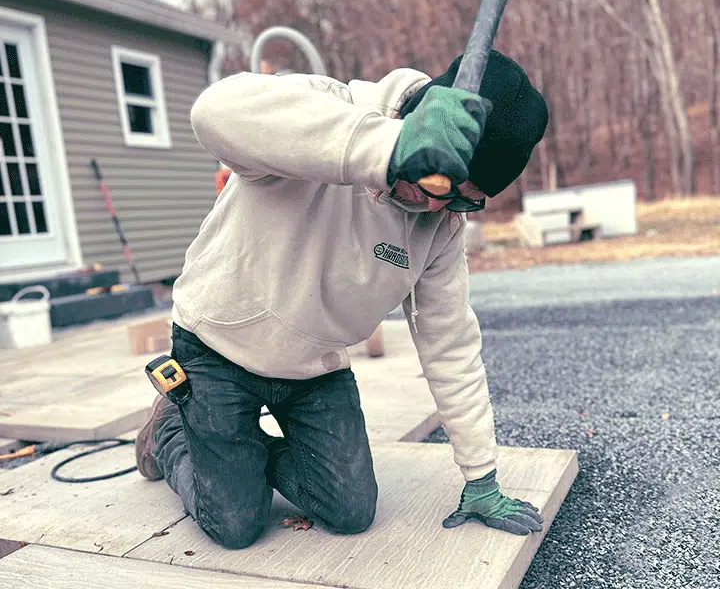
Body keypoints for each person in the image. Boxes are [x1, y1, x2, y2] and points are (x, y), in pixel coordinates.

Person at [135, 50, 548, 549]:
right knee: (236, 525)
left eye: (463, 197)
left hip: (313, 368)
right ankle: (173, 433)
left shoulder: (440, 226)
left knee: (350, 511)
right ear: (414, 120)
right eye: (440, 182)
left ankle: (227, 444)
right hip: (219, 347)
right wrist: (388, 150)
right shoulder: (332, 108)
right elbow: (212, 112)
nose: (439, 204)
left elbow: (451, 344)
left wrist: (481, 477)